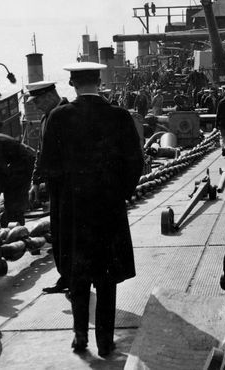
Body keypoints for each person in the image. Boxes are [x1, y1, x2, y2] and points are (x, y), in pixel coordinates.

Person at [39, 62, 144, 356]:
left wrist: (63, 199)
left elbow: (50, 166)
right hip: (108, 209)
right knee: (107, 277)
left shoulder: (59, 117)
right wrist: (120, 193)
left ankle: (80, 336)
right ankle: (105, 341)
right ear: (100, 81)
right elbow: (135, 162)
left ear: (72, 84)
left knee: (78, 275)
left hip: (74, 212)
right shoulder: (119, 116)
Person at [26, 80, 70, 294]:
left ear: (50, 96)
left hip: (71, 186)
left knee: (72, 234)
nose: (36, 106)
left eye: (38, 101)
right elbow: (40, 153)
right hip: (55, 187)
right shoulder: (46, 118)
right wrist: (35, 181)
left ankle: (76, 280)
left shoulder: (68, 114)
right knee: (59, 233)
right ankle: (66, 277)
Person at [0, 133, 36, 226]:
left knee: (13, 195)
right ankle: (14, 222)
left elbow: (1, 169)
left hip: (24, 161)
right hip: (22, 159)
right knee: (13, 195)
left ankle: (16, 226)